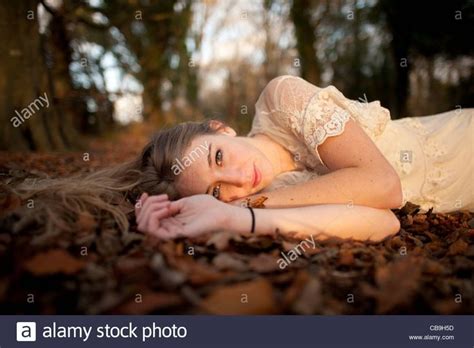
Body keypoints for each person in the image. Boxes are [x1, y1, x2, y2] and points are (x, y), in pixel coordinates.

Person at [133, 75, 473, 242]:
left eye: (218, 157)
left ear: (221, 129)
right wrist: (234, 218)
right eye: (216, 192)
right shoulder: (267, 196)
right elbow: (385, 222)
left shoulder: (281, 101)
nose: (238, 181)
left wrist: (245, 206)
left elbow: (386, 186)